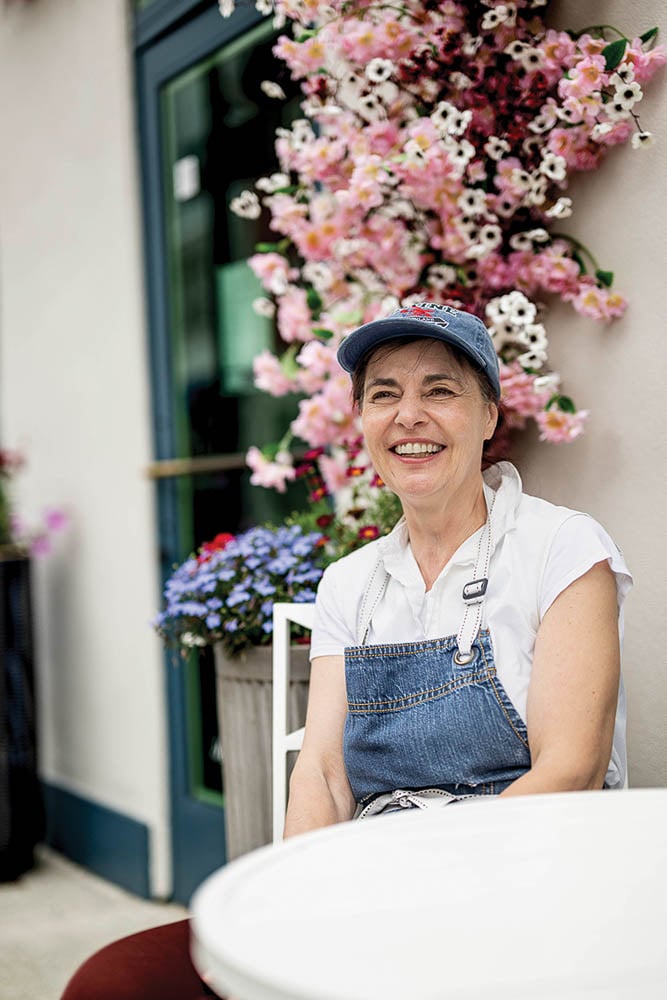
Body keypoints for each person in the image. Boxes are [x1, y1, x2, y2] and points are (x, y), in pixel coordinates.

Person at [60, 302, 631, 999]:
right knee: (115, 984)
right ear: (361, 421)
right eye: (383, 394)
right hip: (372, 885)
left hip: (524, 893)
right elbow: (325, 773)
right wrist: (302, 898)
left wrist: (422, 888)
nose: (408, 415)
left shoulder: (561, 549)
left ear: (488, 417)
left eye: (439, 389)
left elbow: (569, 772)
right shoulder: (349, 585)